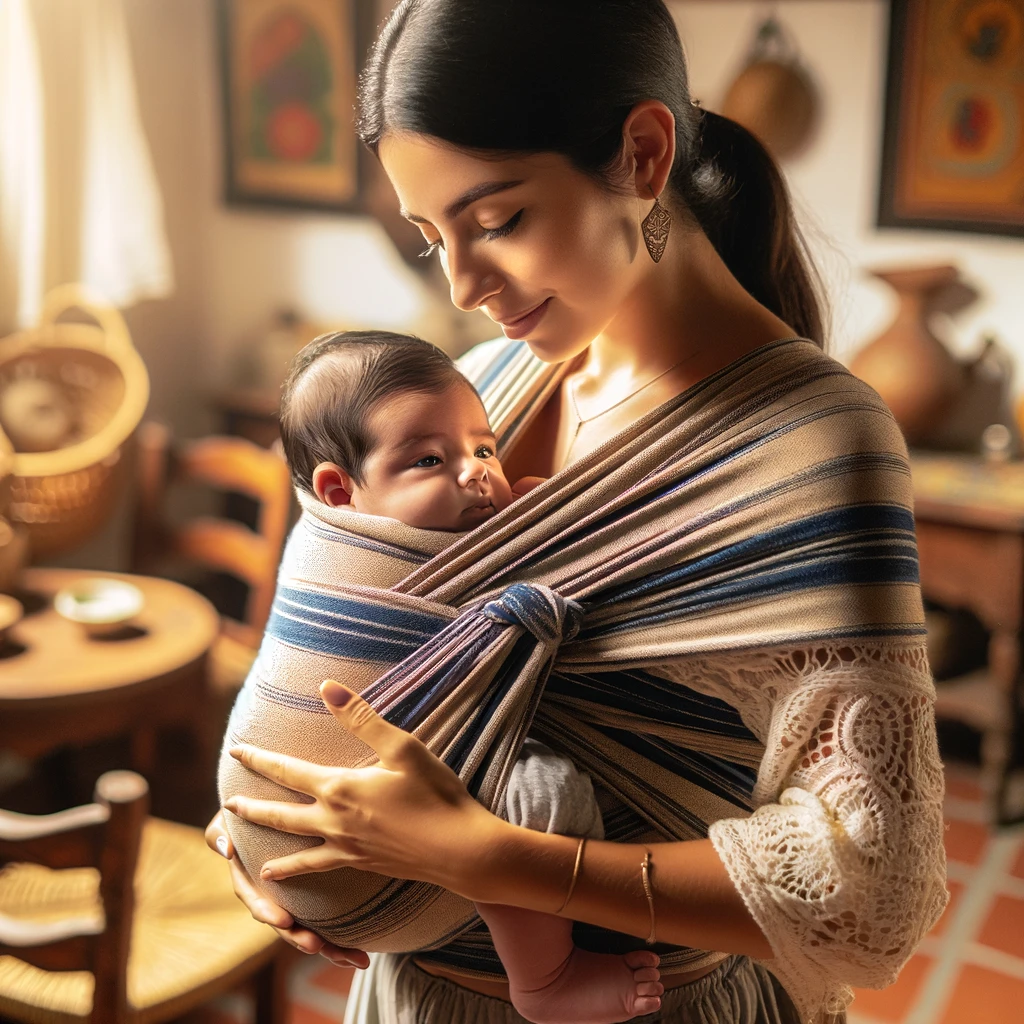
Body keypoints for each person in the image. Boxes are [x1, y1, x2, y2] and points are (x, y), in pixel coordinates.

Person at [207, 2, 948, 1023]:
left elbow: (872, 893)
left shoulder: (816, 445)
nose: (465, 284)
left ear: (642, 154)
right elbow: (365, 654)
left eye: (497, 220)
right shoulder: (479, 387)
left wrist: (495, 860)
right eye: (433, 239)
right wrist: (280, 832)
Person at [266, 328, 663, 1022]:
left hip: (362, 811)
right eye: (429, 459)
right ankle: (544, 977)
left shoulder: (433, 524)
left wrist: (527, 520)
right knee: (544, 790)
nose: (478, 471)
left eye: (485, 448)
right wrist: (538, 544)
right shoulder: (370, 558)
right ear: (338, 492)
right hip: (343, 783)